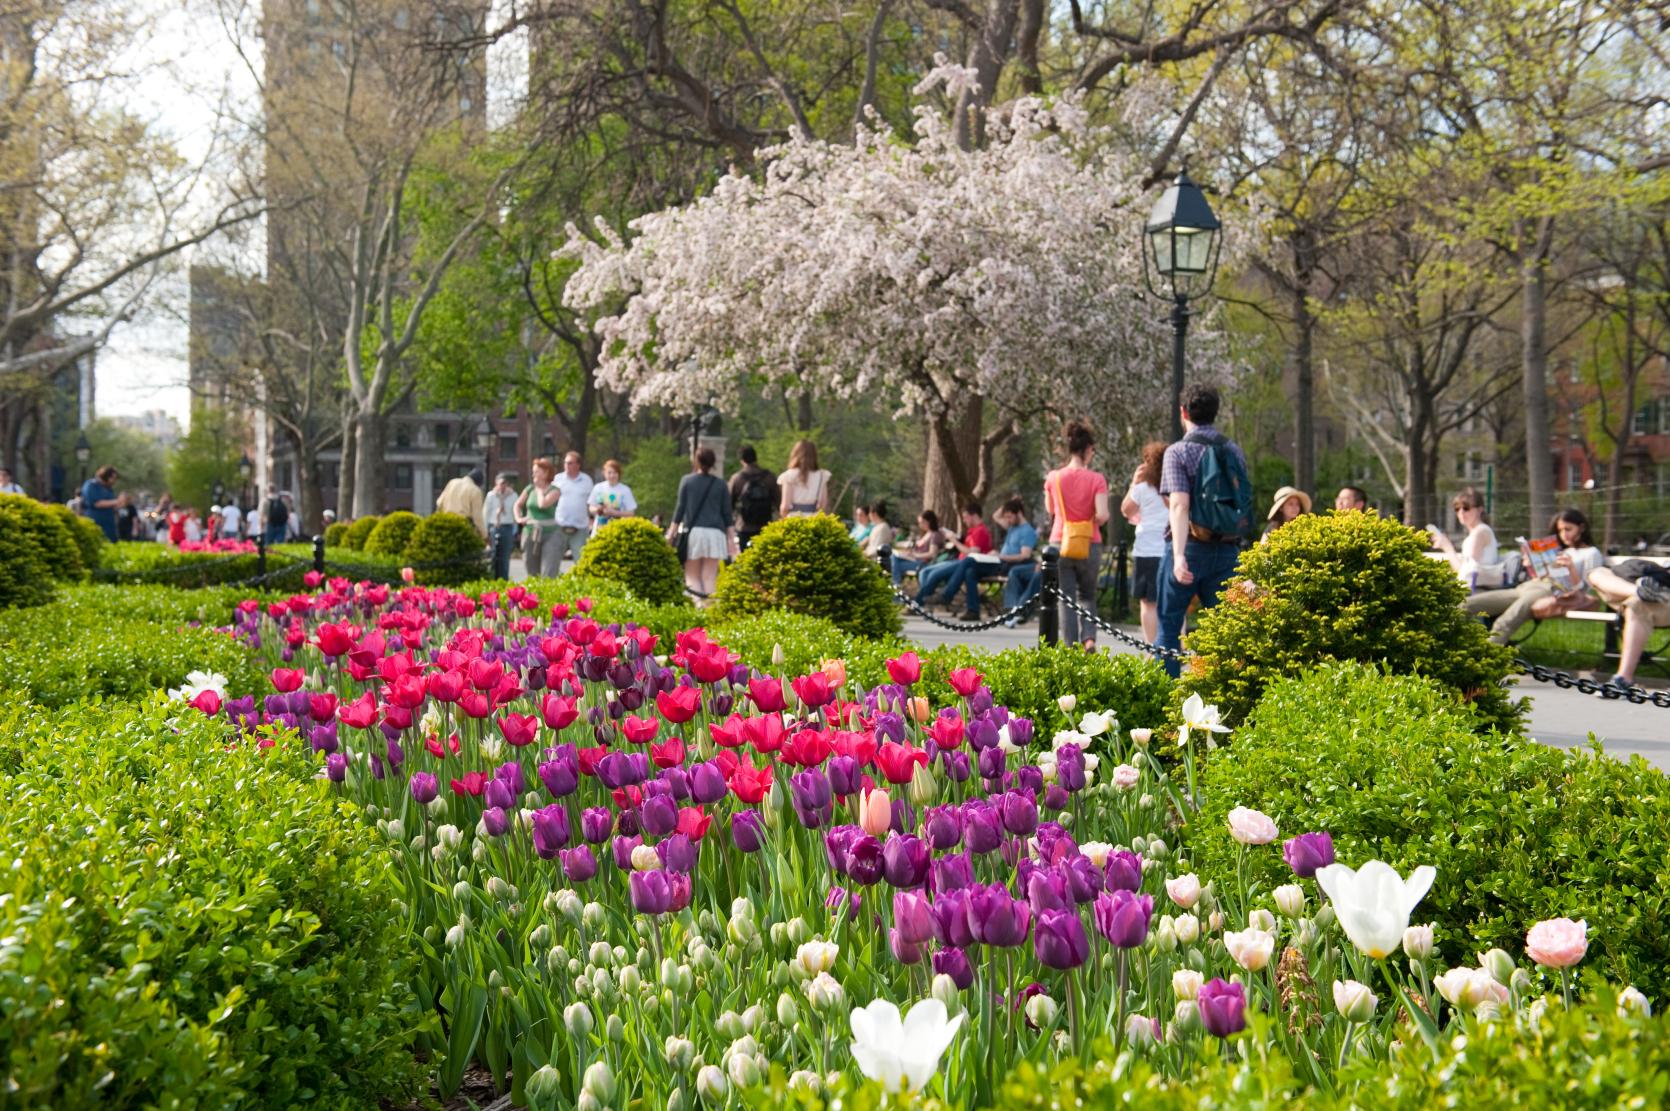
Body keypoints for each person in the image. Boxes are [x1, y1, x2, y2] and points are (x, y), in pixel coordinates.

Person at [1157, 385, 1252, 676]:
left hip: (1190, 547)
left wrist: (1178, 556)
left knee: (1170, 629)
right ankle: (1218, 700)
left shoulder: (1178, 452)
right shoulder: (1233, 450)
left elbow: (1179, 506)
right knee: (1222, 633)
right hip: (1226, 551)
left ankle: (1166, 700)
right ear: (1215, 413)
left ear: (1183, 412)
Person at [1465, 508, 1603, 645]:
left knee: (1505, 622)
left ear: (1582, 528)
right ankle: (1454, 650)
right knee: (1466, 605)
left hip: (1550, 590)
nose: (1563, 535)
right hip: (1528, 586)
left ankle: (1483, 660)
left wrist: (1571, 567)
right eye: (1560, 530)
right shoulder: (1559, 549)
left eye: (1568, 529)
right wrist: (1531, 563)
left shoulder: (1591, 553)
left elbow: (1584, 591)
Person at [1045, 420, 1112, 650]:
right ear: (1088, 450)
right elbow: (1103, 514)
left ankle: (1070, 647)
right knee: (1088, 595)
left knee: (1066, 599)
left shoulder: (1053, 477)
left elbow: (1051, 511)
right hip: (1089, 542)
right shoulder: (1097, 479)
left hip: (1060, 541)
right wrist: (1090, 518)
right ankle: (1089, 639)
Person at [941, 497, 1037, 622]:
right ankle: (973, 611)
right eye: (1006, 517)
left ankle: (947, 595)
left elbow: (1025, 555)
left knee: (969, 560)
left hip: (1007, 564)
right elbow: (995, 516)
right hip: (998, 561)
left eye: (1009, 517)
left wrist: (1000, 556)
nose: (1007, 520)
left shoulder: (1027, 531)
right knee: (970, 572)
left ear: (1018, 514)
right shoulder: (1013, 526)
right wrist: (1010, 502)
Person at [1587, 559, 1670, 690]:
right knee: (1596, 573)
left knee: (1637, 605)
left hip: (1663, 596)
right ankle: (1638, 591)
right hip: (1634, 588)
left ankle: (1623, 678)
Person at [670, 446, 736, 600]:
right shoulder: (721, 484)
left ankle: (698, 607)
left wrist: (671, 534)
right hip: (716, 533)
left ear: (696, 461)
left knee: (691, 575)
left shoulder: (687, 481)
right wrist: (731, 540)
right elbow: (727, 514)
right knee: (709, 577)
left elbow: (679, 510)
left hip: (694, 533)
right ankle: (710, 609)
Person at [1120, 441, 1168, 643]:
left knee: (1148, 603)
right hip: (1168, 548)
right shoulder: (1174, 485)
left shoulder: (1142, 488)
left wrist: (1133, 483)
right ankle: (1173, 645)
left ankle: (1151, 646)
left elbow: (1126, 510)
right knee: (1171, 600)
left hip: (1146, 550)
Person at [914, 501, 994, 611]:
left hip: (966, 562)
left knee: (935, 574)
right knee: (927, 572)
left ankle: (918, 604)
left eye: (966, 517)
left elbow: (973, 553)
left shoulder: (980, 531)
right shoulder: (972, 531)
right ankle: (922, 602)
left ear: (974, 515)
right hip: (961, 562)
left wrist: (954, 541)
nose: (964, 520)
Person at [1429, 486, 1500, 587]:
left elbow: (1465, 574)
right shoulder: (1478, 532)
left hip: (1477, 589)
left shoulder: (1480, 533)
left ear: (1479, 510)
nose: (1461, 512)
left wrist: (1447, 547)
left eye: (1466, 508)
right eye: (1457, 508)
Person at [516, 457, 562, 578]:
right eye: (533, 471)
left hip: (550, 533)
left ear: (546, 473)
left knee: (549, 571)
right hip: (531, 532)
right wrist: (519, 518)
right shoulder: (529, 488)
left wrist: (540, 489)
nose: (533, 474)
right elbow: (518, 504)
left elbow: (543, 505)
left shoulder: (555, 490)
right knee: (531, 569)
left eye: (536, 471)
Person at [729, 444, 779, 550]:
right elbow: (778, 500)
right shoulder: (769, 477)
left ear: (741, 460)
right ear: (755, 458)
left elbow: (729, 504)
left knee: (746, 559)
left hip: (744, 526)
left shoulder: (737, 478)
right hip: (765, 525)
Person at [552, 451, 594, 567]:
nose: (566, 465)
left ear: (578, 465)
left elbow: (590, 503)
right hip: (559, 525)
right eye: (565, 463)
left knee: (581, 561)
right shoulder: (558, 479)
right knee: (553, 560)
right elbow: (551, 501)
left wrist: (591, 519)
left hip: (580, 527)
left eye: (570, 463)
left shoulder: (587, 480)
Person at [890, 510, 950, 587]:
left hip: (923, 563)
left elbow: (932, 554)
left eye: (922, 522)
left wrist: (915, 555)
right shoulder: (928, 533)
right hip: (915, 560)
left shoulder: (935, 535)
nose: (920, 525)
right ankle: (896, 585)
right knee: (893, 557)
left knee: (894, 564)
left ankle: (896, 585)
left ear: (929, 521)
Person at [779, 440, 830, 518]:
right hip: (814, 519)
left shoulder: (788, 475)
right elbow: (823, 504)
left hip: (794, 519)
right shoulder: (822, 475)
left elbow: (785, 506)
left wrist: (784, 520)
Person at [483, 472, 519, 580]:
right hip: (494, 526)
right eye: (500, 483)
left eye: (504, 483)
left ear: (506, 484)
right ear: (496, 483)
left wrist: (515, 530)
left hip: (507, 527)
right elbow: (486, 513)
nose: (501, 486)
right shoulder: (491, 495)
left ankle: (503, 580)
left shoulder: (513, 495)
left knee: (504, 557)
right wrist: (485, 531)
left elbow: (515, 513)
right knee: (493, 556)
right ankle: (492, 579)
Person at [587, 459, 637, 534]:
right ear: (604, 473)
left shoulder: (625, 490)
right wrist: (598, 510)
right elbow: (591, 507)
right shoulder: (598, 488)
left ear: (619, 474)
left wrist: (615, 513)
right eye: (609, 473)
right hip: (599, 529)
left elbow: (631, 513)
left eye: (615, 473)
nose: (612, 475)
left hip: (618, 530)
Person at [436, 467, 486, 536]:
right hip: (463, 526)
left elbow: (439, 503)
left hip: (446, 522)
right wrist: (484, 535)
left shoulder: (452, 482)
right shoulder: (475, 490)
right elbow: (477, 517)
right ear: (478, 483)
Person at [80, 465, 121, 542]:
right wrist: (117, 501)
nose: (114, 481)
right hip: (95, 522)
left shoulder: (108, 488)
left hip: (108, 525)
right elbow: (96, 503)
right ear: (106, 476)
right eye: (113, 478)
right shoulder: (91, 485)